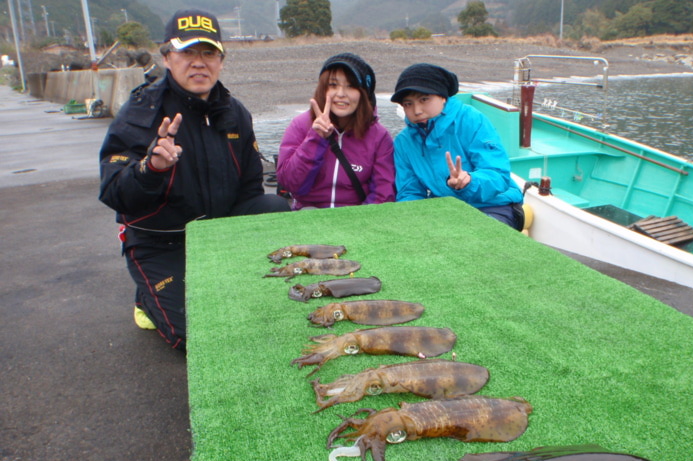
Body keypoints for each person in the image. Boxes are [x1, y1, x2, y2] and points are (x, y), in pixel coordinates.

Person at [99, 9, 289, 350]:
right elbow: (114, 192)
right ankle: (147, 297)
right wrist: (151, 168)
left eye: (208, 53)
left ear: (221, 60)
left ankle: (232, 275)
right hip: (161, 240)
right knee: (199, 338)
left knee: (274, 205)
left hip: (217, 232)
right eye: (188, 52)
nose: (199, 63)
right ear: (168, 57)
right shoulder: (142, 111)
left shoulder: (235, 113)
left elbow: (250, 192)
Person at [391, 63, 525, 229]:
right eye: (408, 104)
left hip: (493, 205)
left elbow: (498, 175)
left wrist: (469, 181)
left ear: (443, 97)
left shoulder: (472, 120)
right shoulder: (404, 142)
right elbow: (410, 191)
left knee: (478, 240)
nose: (417, 110)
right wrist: (415, 221)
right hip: (446, 208)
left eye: (424, 99)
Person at [277, 53, 395, 209]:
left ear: (364, 93)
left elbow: (383, 194)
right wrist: (315, 138)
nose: (340, 94)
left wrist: (359, 221)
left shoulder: (379, 136)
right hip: (309, 215)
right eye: (333, 85)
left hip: (357, 217)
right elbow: (291, 184)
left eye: (351, 86)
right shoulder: (300, 125)